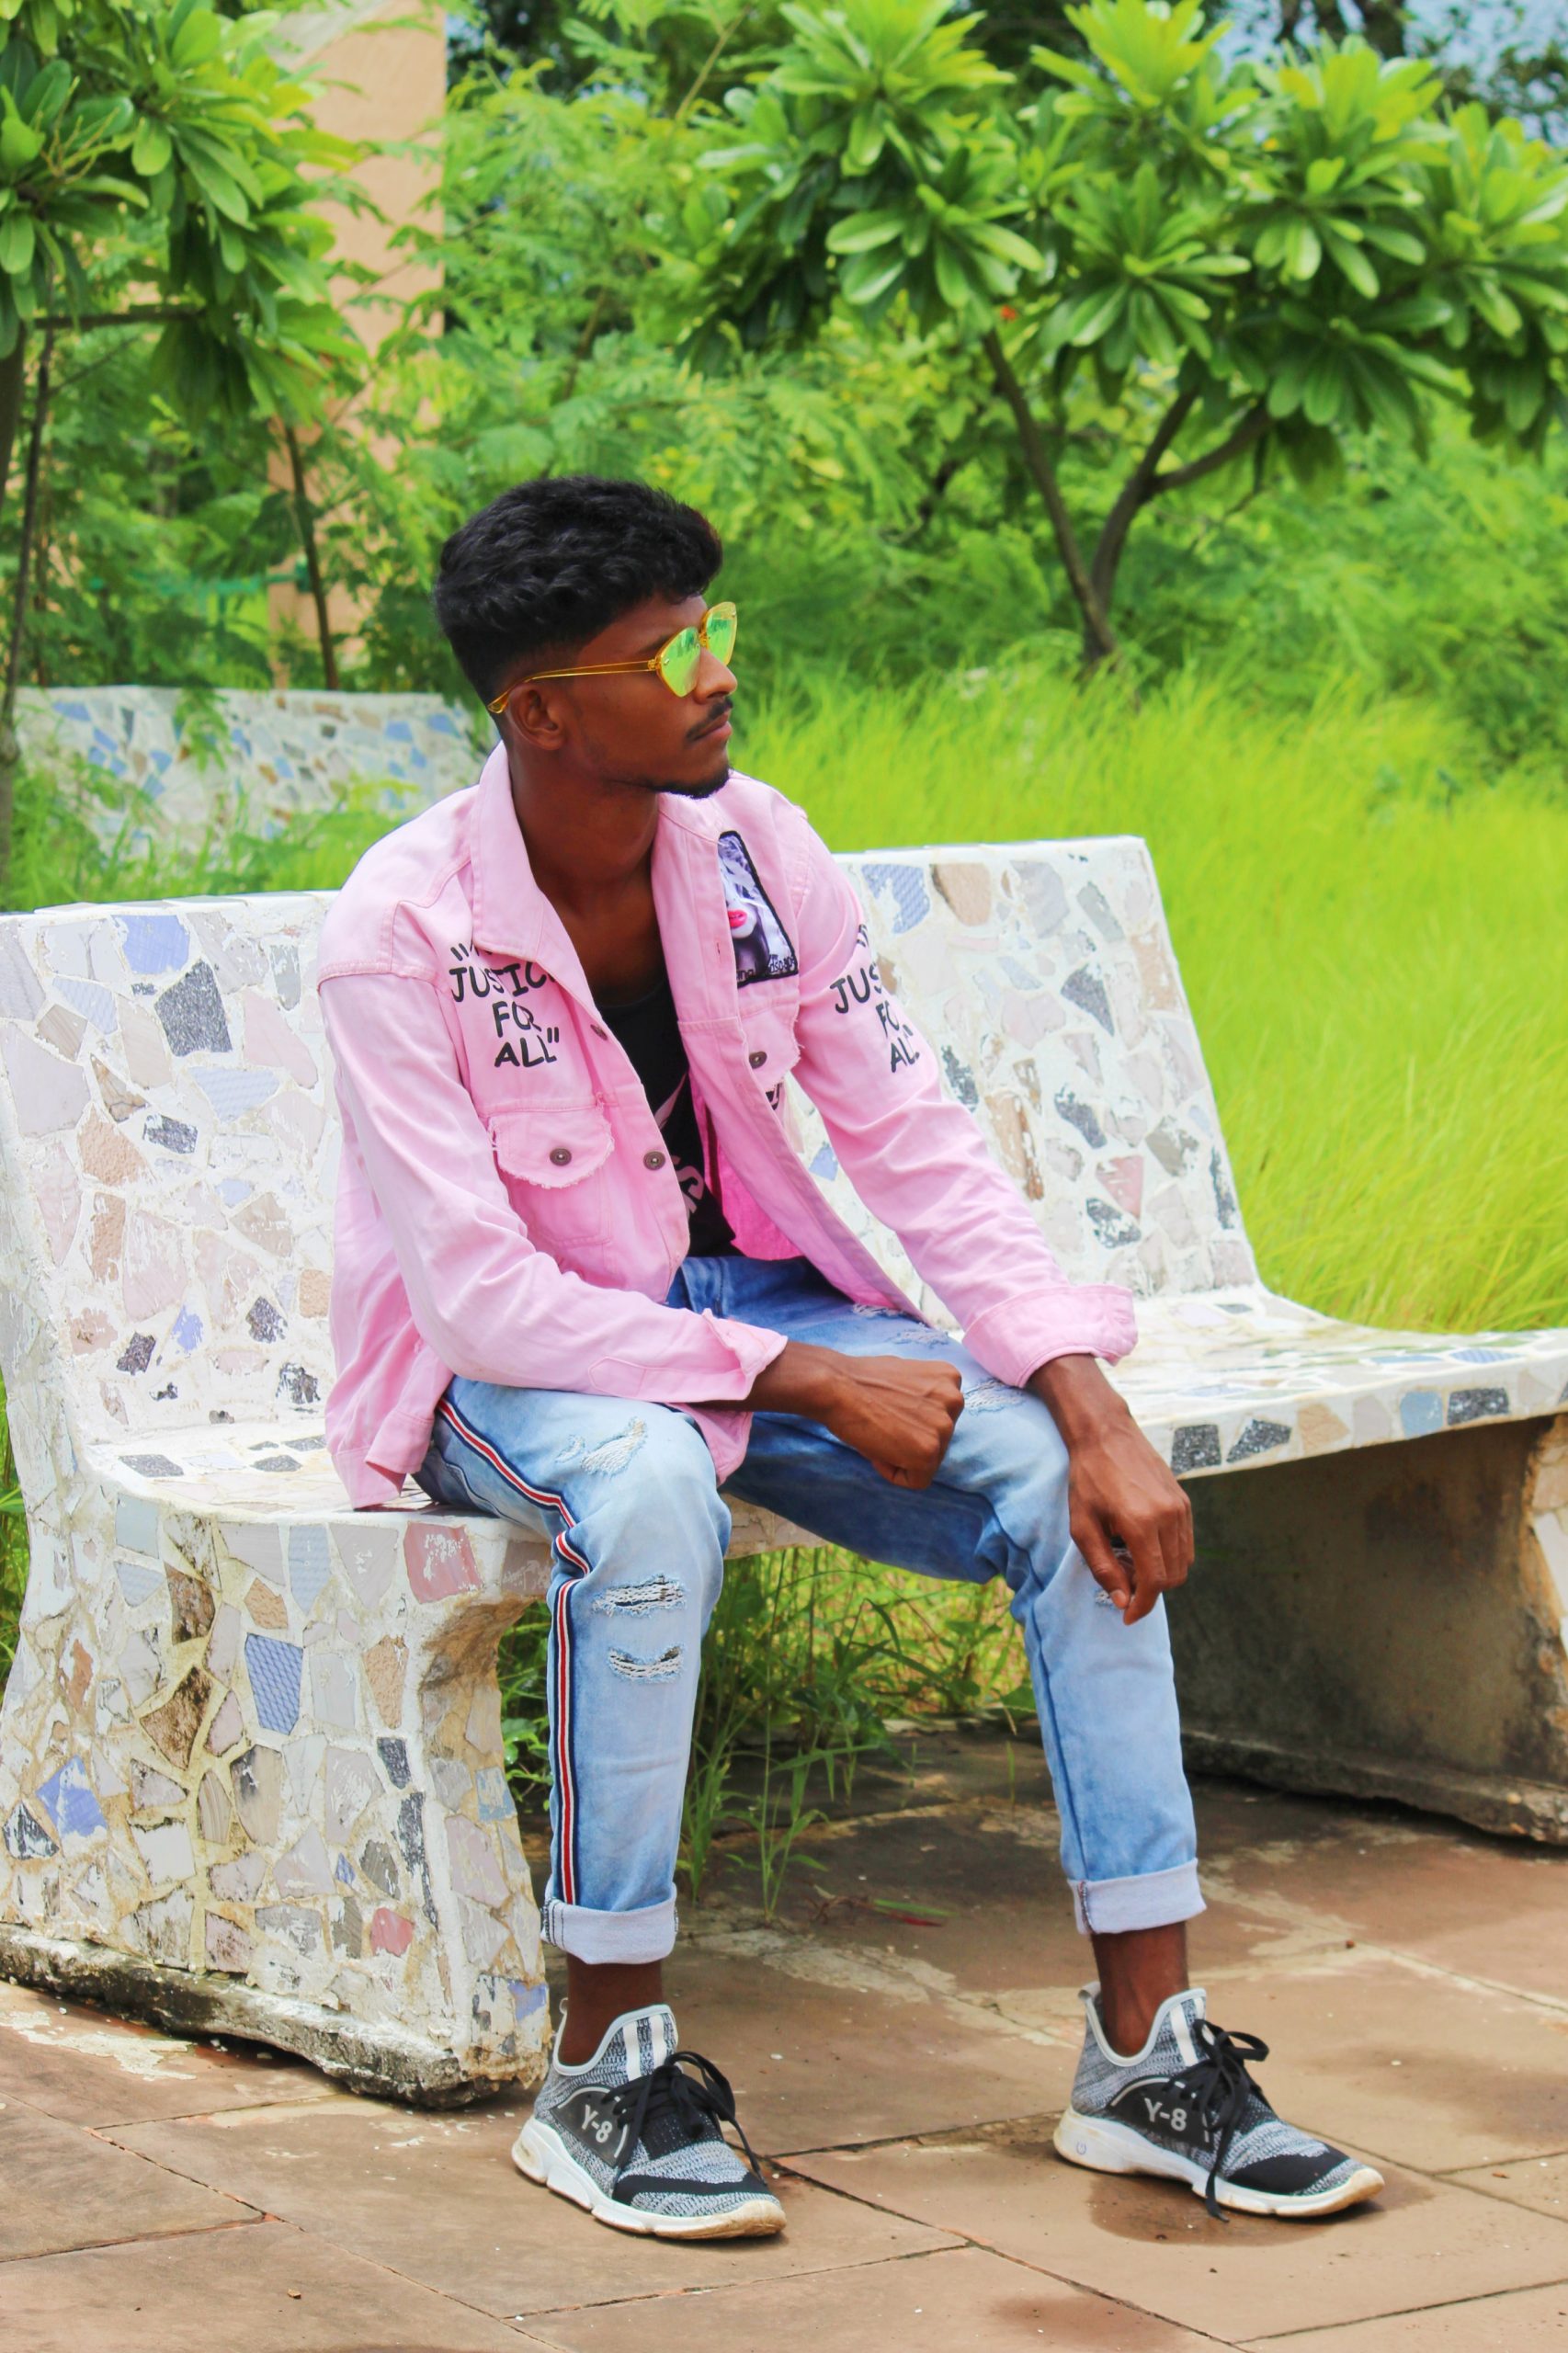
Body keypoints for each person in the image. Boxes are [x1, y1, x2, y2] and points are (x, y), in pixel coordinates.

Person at [317, 474, 1383, 2243]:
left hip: (752, 1306)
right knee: (648, 1484)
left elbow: (913, 1142)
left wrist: (1086, 1405)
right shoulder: (404, 931)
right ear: (541, 711)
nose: (719, 672)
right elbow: (484, 1302)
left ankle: (1146, 2053)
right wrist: (797, 1379)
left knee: (1060, 1487)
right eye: (672, 650)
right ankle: (601, 2070)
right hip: (512, 1372)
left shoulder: (758, 853)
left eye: (714, 627)